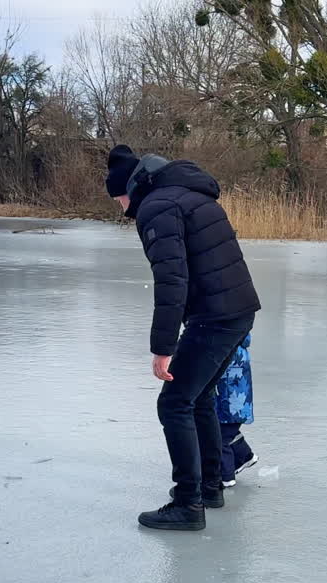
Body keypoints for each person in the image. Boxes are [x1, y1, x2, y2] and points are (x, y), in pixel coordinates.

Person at [105, 144, 261, 531]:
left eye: (118, 196)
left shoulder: (157, 207)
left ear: (130, 187)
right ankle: (210, 487)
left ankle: (187, 503)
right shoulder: (190, 194)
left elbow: (172, 280)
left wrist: (163, 348)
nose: (119, 205)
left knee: (174, 403)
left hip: (215, 317)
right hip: (238, 310)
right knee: (200, 396)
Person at [215, 334, 258, 487]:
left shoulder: (224, 347)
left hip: (228, 401)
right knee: (226, 431)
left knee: (218, 436)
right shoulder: (237, 342)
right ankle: (244, 455)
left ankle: (225, 476)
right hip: (236, 401)